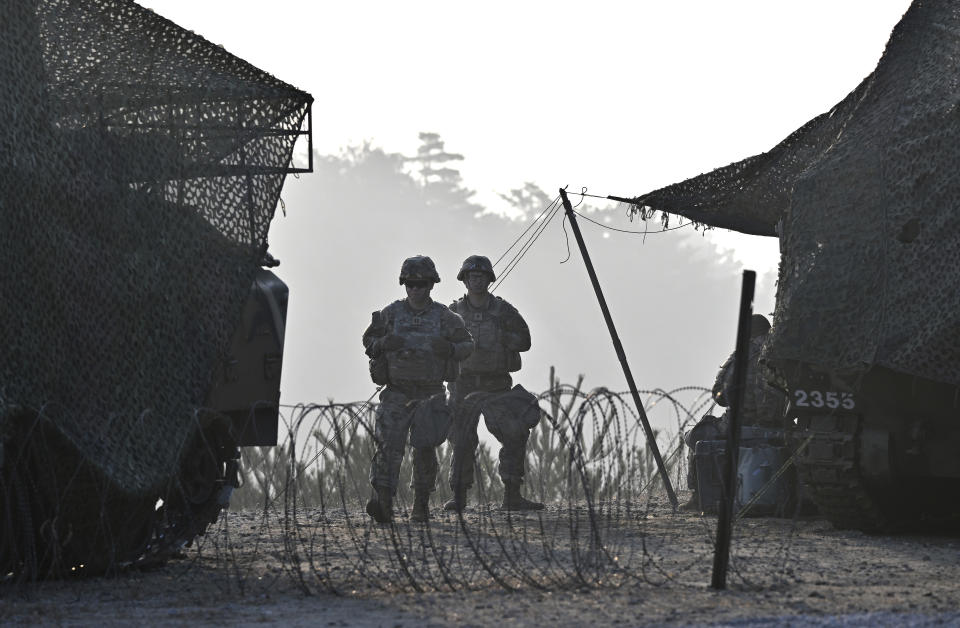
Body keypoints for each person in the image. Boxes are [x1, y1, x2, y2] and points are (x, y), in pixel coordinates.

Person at [362, 255, 473, 523]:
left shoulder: (445, 317)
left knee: (424, 449)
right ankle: (384, 503)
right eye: (410, 284)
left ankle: (420, 504)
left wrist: (449, 349)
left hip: (430, 392)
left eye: (421, 284)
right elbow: (368, 340)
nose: (415, 289)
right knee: (388, 448)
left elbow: (467, 345)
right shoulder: (391, 314)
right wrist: (383, 343)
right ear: (404, 284)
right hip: (397, 391)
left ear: (431, 285)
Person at [444, 255, 544, 512]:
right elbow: (440, 343)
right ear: (464, 280)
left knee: (514, 432)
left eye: (481, 276)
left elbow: (525, 341)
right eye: (472, 276)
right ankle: (459, 496)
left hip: (496, 384)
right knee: (462, 440)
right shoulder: (453, 312)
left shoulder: (503, 311)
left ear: (489, 280)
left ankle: (512, 494)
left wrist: (502, 336)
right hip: (463, 384)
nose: (476, 281)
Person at [682, 314, 786, 511]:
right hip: (777, 425)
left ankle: (698, 496)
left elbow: (719, 395)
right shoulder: (782, 354)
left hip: (741, 424)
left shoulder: (743, 354)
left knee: (695, 435)